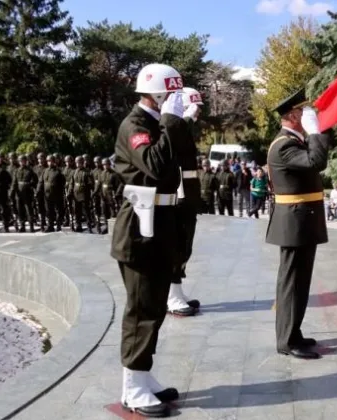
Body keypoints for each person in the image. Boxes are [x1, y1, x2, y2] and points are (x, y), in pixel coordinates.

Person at [110, 63, 187, 417]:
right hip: (139, 229)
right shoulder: (135, 126)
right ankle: (132, 388)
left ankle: (143, 375)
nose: (177, 100)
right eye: (172, 94)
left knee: (155, 307)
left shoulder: (156, 124)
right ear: (156, 93)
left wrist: (177, 122)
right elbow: (155, 166)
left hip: (160, 224)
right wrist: (170, 121)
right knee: (141, 310)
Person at [266, 89, 334, 360]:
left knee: (300, 283)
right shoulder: (284, 145)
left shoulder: (294, 140)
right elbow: (317, 161)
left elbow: (322, 149)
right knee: (291, 283)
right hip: (294, 223)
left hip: (302, 221)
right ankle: (286, 340)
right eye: (303, 112)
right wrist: (315, 132)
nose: (309, 115)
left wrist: (321, 129)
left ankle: (294, 332)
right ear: (293, 116)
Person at [166, 86, 204, 318]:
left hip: (186, 197)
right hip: (177, 197)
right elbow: (173, 148)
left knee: (184, 247)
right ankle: (171, 297)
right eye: (193, 107)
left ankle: (176, 291)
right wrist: (185, 120)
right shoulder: (172, 130)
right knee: (177, 247)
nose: (197, 113)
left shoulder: (183, 131)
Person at [40, 154, 65, 232]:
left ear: (54, 162)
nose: (49, 162)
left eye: (51, 161)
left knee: (58, 210)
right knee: (49, 211)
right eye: (48, 161)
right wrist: (38, 191)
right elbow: (41, 182)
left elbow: (62, 183)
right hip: (47, 195)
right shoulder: (45, 171)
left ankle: (58, 225)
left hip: (56, 194)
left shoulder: (58, 172)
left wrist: (60, 193)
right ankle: (50, 226)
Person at [13, 154, 38, 233]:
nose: (22, 162)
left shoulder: (30, 170)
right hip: (19, 193)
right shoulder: (16, 170)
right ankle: (22, 226)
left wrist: (29, 184)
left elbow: (35, 181)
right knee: (20, 210)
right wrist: (12, 193)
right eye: (20, 161)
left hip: (27, 193)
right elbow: (14, 182)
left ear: (26, 161)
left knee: (29, 210)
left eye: (23, 161)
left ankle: (31, 226)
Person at [70, 156, 95, 233]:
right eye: (76, 163)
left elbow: (91, 184)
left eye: (79, 163)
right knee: (77, 212)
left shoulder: (87, 172)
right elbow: (72, 183)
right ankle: (78, 225)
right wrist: (69, 192)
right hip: (76, 195)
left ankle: (89, 226)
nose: (78, 164)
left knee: (86, 212)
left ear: (82, 163)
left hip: (84, 195)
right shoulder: (74, 172)